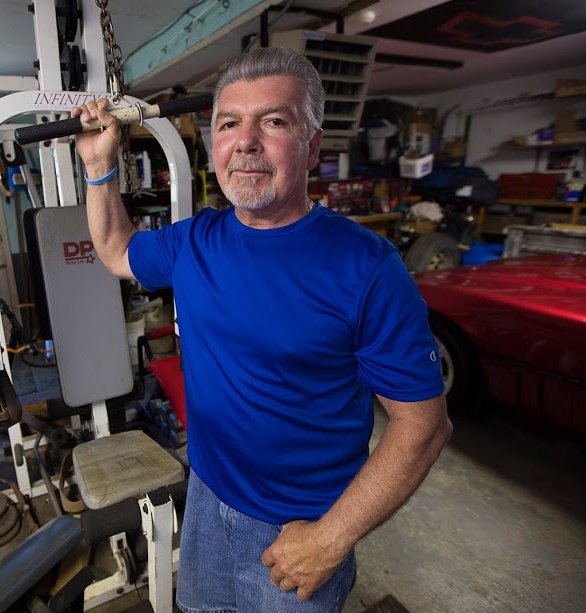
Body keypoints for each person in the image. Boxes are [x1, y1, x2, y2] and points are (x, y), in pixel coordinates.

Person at [71, 46, 453, 613]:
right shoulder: (195, 240)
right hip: (204, 498)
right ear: (214, 144)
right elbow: (116, 250)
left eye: (273, 121)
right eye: (229, 123)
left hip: (297, 530)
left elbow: (423, 425)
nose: (245, 141)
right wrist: (99, 167)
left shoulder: (366, 267)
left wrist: (331, 539)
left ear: (313, 147)